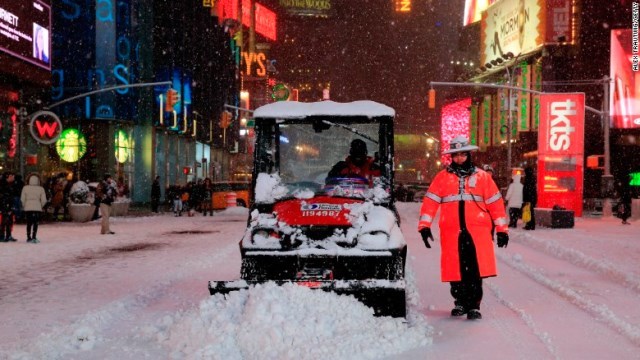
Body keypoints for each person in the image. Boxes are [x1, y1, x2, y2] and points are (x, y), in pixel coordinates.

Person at [418, 135, 509, 320]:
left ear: (468, 154)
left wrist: (501, 230)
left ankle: (474, 305)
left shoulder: (483, 177)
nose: (459, 159)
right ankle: (460, 302)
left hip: (478, 233)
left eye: (462, 155)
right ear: (451, 157)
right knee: (455, 268)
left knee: (475, 270)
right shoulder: (442, 178)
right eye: (456, 155)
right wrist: (424, 226)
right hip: (452, 232)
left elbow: (496, 204)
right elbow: (430, 202)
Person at [20, 174, 48, 243]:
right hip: (37, 208)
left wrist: (24, 206)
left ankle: (28, 237)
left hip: (28, 208)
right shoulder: (41, 189)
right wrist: (40, 206)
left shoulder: (25, 188)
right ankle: (34, 236)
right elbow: (44, 200)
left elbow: (22, 199)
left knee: (29, 223)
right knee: (36, 223)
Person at [0, 172, 19, 242]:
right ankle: (2, 235)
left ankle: (8, 235)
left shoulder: (12, 185)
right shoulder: (3, 185)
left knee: (9, 220)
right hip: (5, 204)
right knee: (4, 221)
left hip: (9, 204)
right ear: (7, 177)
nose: (13, 177)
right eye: (11, 176)